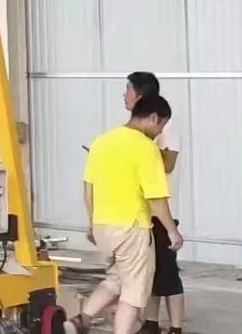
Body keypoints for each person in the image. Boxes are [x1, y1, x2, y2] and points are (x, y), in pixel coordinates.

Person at [73, 94, 184, 334]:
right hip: (132, 228)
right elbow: (156, 198)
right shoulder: (146, 148)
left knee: (116, 280)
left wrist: (92, 223)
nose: (160, 132)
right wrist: (172, 231)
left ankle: (79, 322)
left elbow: (88, 188)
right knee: (133, 294)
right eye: (162, 125)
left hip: (103, 227)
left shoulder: (101, 141)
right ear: (153, 117)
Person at [124, 72, 185, 334]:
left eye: (128, 90)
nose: (124, 95)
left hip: (161, 212)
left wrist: (138, 153)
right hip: (139, 212)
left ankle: (176, 327)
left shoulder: (165, 126)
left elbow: (168, 164)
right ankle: (151, 323)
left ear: (141, 94)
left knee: (167, 274)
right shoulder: (134, 130)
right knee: (148, 272)